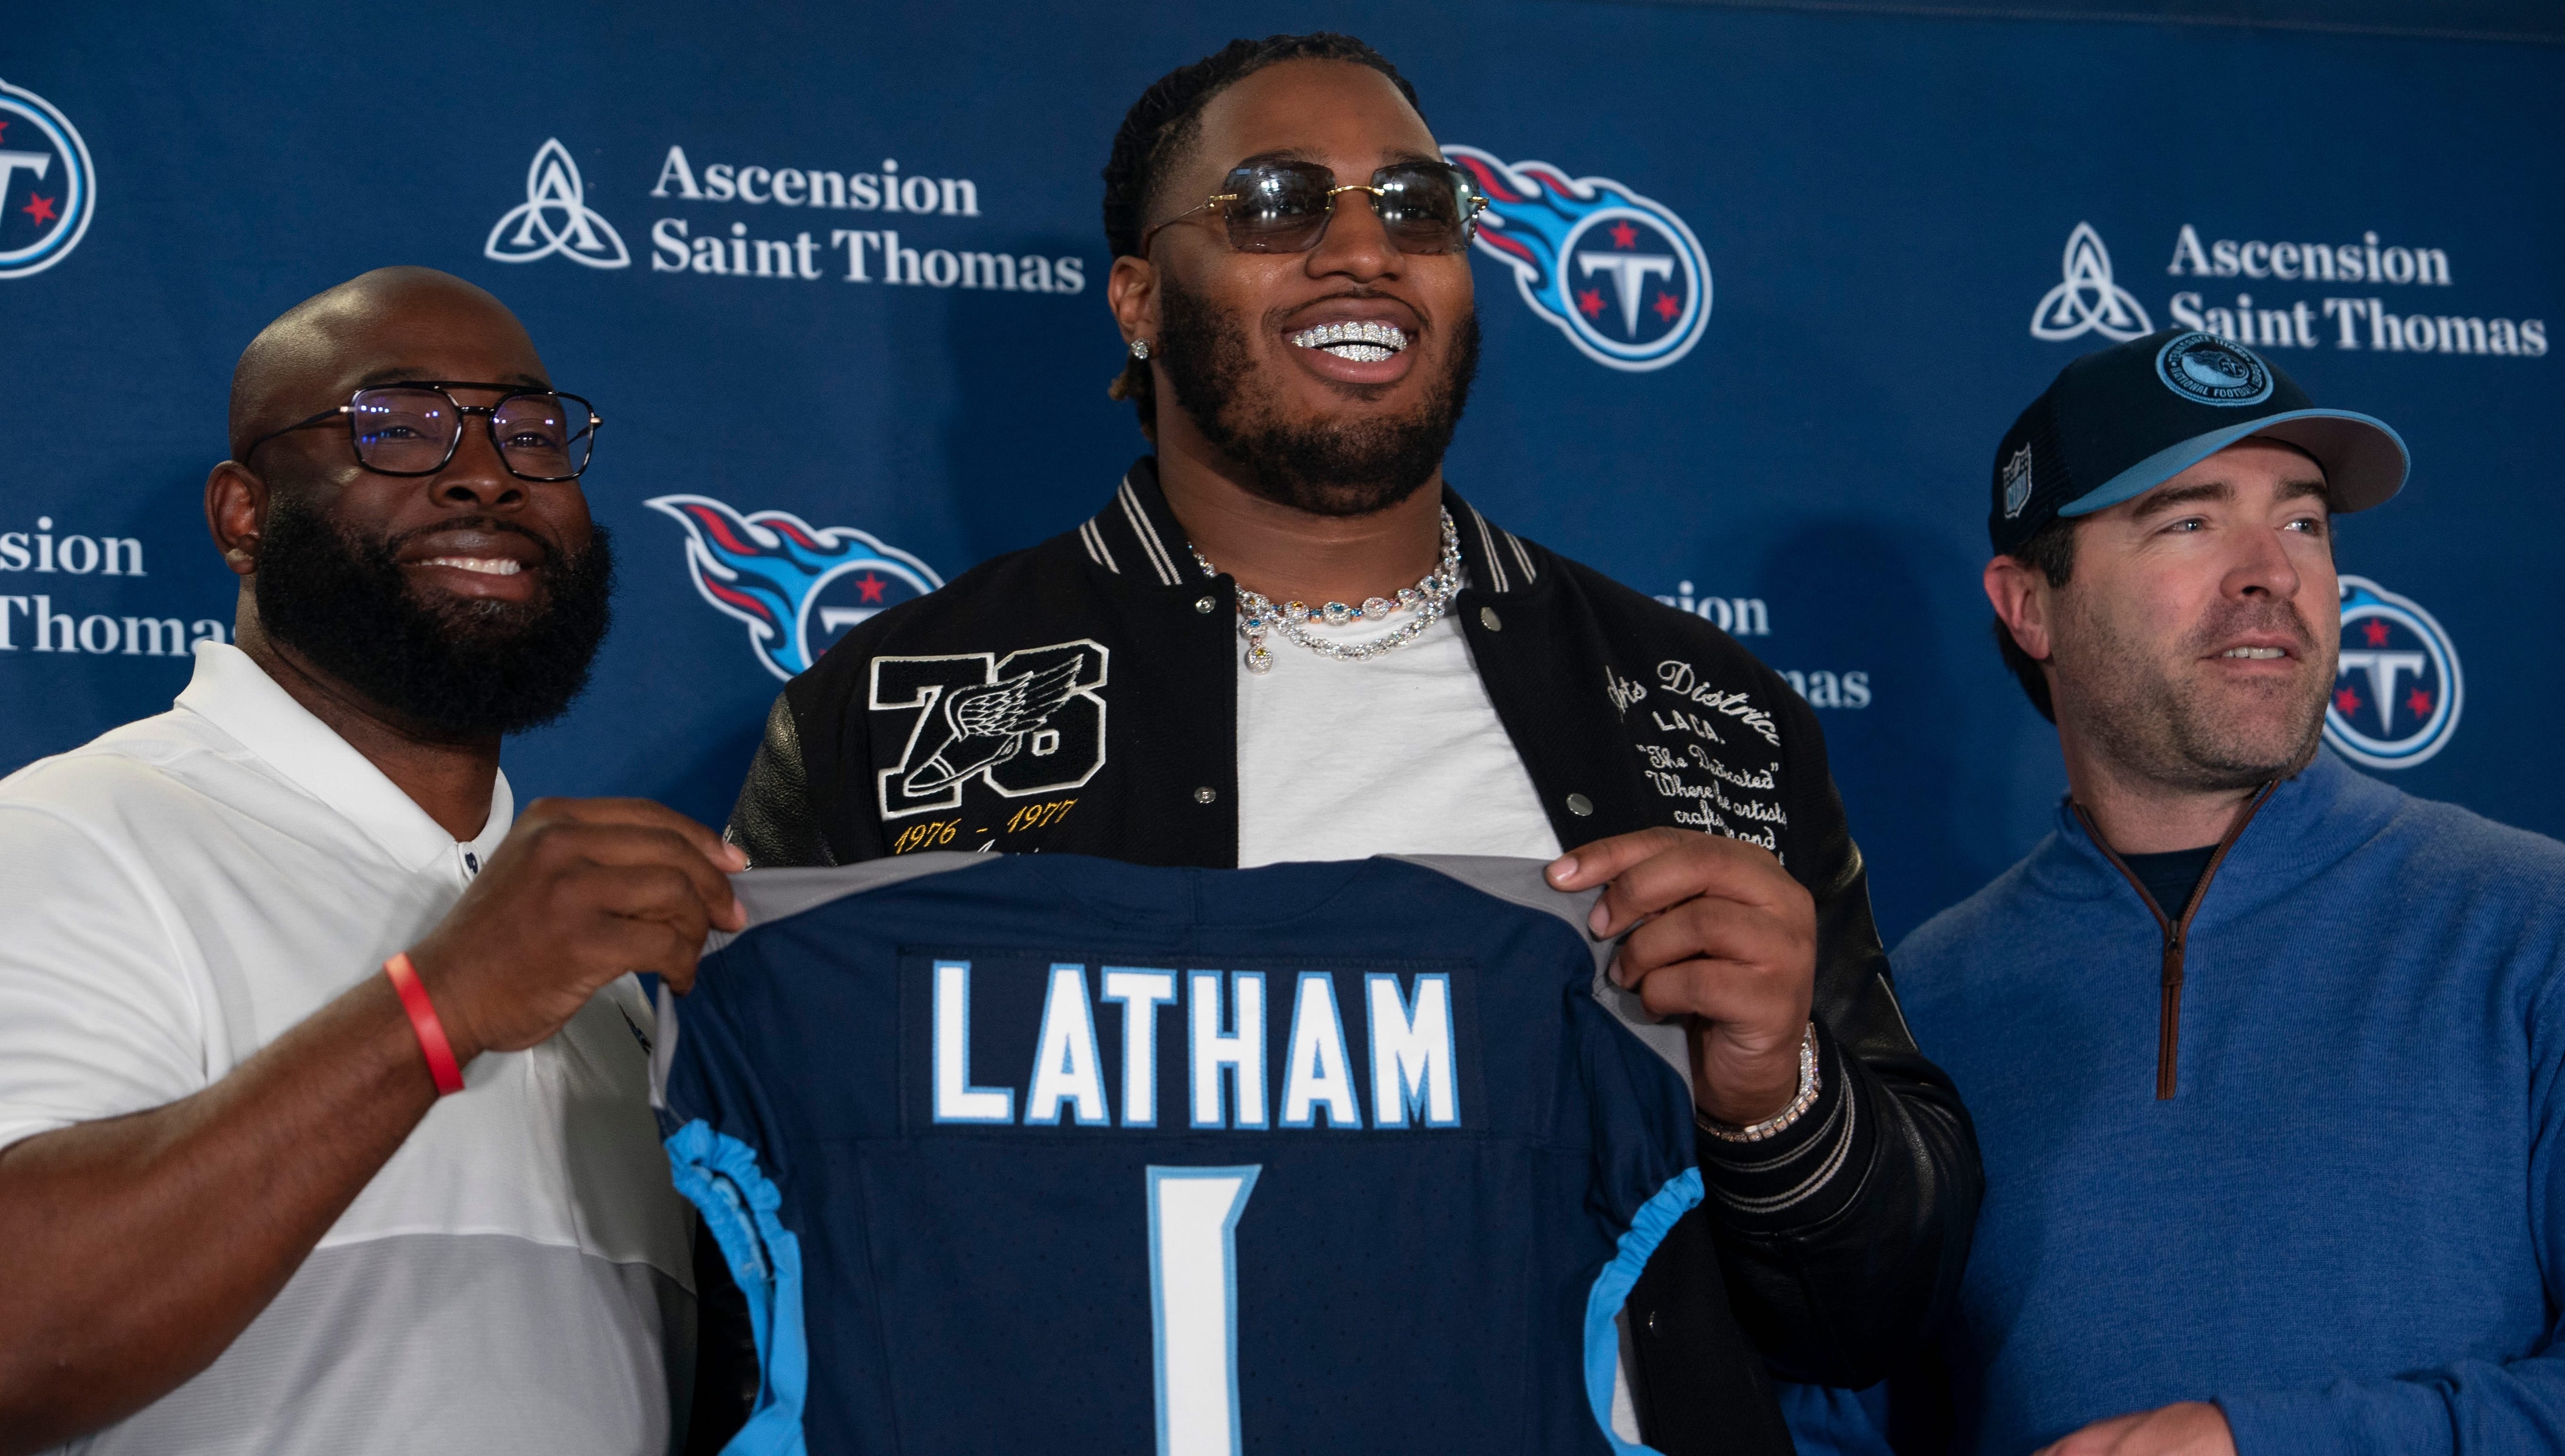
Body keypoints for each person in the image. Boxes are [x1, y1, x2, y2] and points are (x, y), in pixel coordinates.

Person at [714, 33, 1979, 1453]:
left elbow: (1876, 1304)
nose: (1362, 250)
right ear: (1138, 297)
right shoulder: (895, 707)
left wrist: (1773, 1096)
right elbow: (750, 1256)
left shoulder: (1699, 711)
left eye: (1416, 206)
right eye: (1274, 203)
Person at [0, 267, 745, 1455]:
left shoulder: (600, 962)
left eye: (533, 433)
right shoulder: (71, 836)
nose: (487, 470)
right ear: (243, 515)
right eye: (395, 428)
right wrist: (434, 1008)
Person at [1818, 328, 2565, 1455]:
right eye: (2190, 519)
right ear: (2030, 606)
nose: (2271, 569)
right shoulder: (1920, 996)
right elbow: (1840, 1418)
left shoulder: (2529, 923)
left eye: (2303, 520)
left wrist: (2253, 1444)